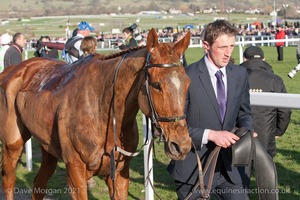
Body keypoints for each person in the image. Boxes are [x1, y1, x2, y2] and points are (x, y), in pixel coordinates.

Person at [167, 19, 253, 200]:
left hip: (230, 169)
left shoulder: (239, 74)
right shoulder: (185, 77)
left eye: (231, 46)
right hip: (193, 170)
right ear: (206, 46)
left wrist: (246, 131)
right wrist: (211, 135)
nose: (228, 53)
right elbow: (174, 127)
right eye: (222, 47)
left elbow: (244, 113)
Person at [240, 46, 291, 158]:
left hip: (239, 134)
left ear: (244, 59)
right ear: (263, 59)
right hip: (267, 136)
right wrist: (278, 131)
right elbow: (284, 110)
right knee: (265, 172)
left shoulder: (234, 78)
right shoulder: (275, 79)